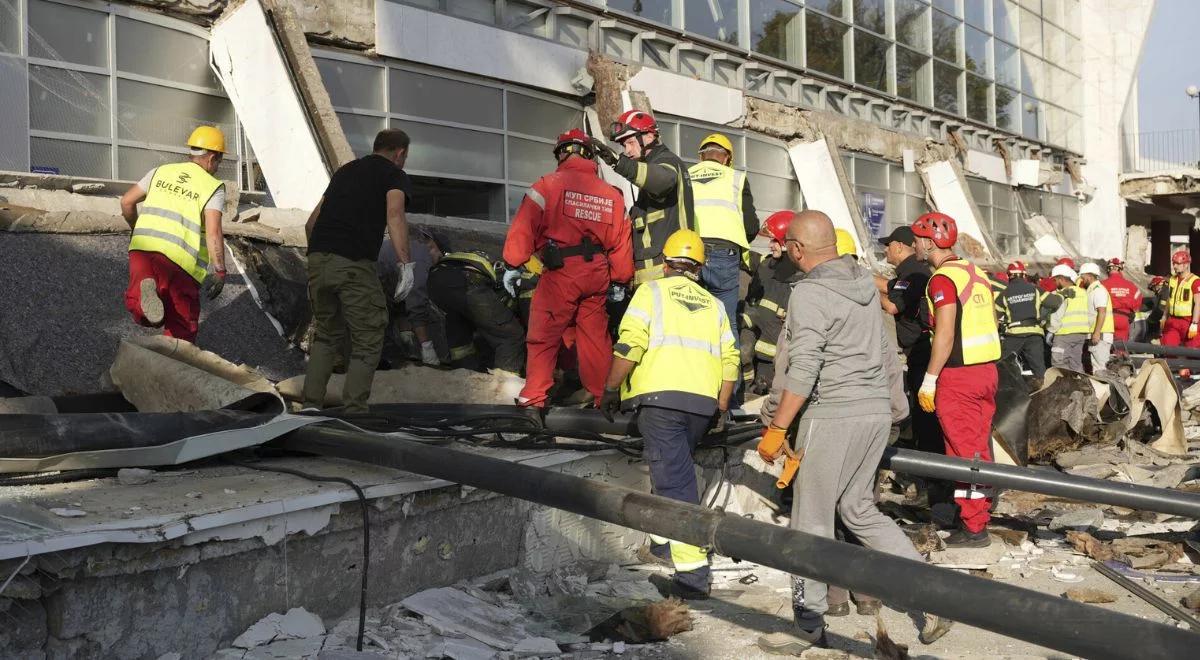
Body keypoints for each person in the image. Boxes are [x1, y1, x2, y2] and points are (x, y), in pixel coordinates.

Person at [756, 211, 951, 653]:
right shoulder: (866, 284)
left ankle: (807, 627)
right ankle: (937, 597)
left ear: (797, 249)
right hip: (875, 415)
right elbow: (885, 351)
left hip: (832, 416)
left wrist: (777, 425)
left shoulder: (809, 294)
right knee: (859, 509)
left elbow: (800, 369)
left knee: (811, 522)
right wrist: (895, 410)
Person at [598, 229, 738, 600]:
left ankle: (693, 576)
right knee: (672, 471)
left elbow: (629, 345)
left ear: (664, 263)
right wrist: (722, 407)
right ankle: (662, 545)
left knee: (675, 483)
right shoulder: (714, 305)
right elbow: (730, 361)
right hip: (701, 406)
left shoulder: (651, 292)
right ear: (699, 269)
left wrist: (611, 389)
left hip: (661, 403)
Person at [504, 129, 633, 408]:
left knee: (544, 334)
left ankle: (534, 399)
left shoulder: (547, 185)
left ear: (561, 153)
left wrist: (514, 262)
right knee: (595, 339)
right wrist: (620, 280)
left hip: (562, 271)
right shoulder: (612, 195)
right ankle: (603, 399)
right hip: (598, 274)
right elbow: (621, 243)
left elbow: (523, 231)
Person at [302, 129, 414, 414]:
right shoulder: (393, 174)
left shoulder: (345, 171)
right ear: (400, 153)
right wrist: (405, 263)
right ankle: (355, 412)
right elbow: (395, 215)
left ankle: (310, 406)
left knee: (327, 335)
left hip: (318, 259)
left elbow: (311, 223)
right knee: (368, 337)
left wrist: (319, 257)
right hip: (353, 264)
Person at [911, 212, 1001, 549]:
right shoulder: (974, 272)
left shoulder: (941, 280)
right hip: (987, 372)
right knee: (977, 447)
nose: (915, 244)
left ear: (930, 241)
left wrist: (929, 380)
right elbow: (991, 319)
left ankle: (975, 527)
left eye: (918, 238)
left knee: (964, 453)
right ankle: (979, 512)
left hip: (959, 376)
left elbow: (945, 334)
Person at [121, 125, 229, 343]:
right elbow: (214, 232)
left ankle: (145, 296)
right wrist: (220, 270)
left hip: (142, 249)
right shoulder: (212, 186)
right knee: (182, 328)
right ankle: (174, 368)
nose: (218, 167)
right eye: (219, 161)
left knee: (141, 308)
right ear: (212, 157)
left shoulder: (160, 171)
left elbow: (126, 202)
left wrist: (136, 229)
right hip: (180, 262)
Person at [590, 110, 694, 286]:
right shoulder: (650, 166)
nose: (627, 151)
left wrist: (619, 163)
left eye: (630, 142)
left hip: (668, 273)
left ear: (649, 136)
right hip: (657, 275)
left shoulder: (668, 161)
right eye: (624, 146)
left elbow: (662, 180)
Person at [876, 226, 943, 457]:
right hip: (918, 349)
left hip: (921, 350)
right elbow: (892, 289)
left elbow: (894, 305)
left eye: (888, 245)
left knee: (925, 414)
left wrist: (866, 287)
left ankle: (929, 467)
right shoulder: (909, 273)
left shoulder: (913, 272)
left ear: (898, 246)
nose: (886, 250)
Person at [425, 251, 525, 375]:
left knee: (460, 324)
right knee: (511, 335)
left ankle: (465, 376)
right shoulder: (509, 275)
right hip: (468, 281)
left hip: (435, 281)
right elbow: (499, 310)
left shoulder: (479, 257)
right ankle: (505, 386)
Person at [742, 212, 804, 395]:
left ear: (787, 242)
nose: (770, 246)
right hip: (756, 354)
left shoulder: (802, 278)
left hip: (780, 362)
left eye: (774, 241)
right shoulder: (765, 266)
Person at [378, 228, 442, 365]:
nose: (437, 263)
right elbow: (416, 301)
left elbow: (401, 296)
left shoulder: (411, 247)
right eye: (440, 257)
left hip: (377, 283)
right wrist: (427, 346)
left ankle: (407, 346)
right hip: (371, 289)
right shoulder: (421, 256)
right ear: (433, 246)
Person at [996, 261, 1047, 380]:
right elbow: (1055, 302)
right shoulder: (1035, 290)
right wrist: (1043, 320)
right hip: (1034, 334)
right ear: (1024, 275)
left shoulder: (1004, 293)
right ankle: (1044, 390)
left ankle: (1007, 393)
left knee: (1003, 366)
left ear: (1009, 276)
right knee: (1039, 368)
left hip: (1014, 335)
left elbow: (995, 316)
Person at [1047, 264, 1089, 372]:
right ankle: (1081, 386)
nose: (1055, 283)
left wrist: (1051, 331)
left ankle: (1064, 387)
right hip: (1081, 334)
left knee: (1059, 365)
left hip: (1064, 333)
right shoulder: (1084, 293)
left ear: (1061, 279)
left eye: (1055, 280)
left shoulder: (1062, 294)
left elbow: (1056, 315)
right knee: (1075, 363)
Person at [1079, 262, 1114, 376]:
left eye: (1083, 277)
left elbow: (1102, 312)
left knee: (1101, 369)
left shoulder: (1098, 290)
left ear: (1089, 276)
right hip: (1098, 335)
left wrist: (1097, 333)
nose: (1082, 280)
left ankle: (1106, 393)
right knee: (1097, 369)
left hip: (1100, 335)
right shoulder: (1092, 290)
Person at [1161, 250, 1200, 347]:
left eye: (1177, 264)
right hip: (1173, 321)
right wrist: (1164, 316)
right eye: (1173, 263)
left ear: (1186, 265)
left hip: (1188, 321)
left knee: (1193, 352)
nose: (1174, 266)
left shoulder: (1195, 281)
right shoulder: (1172, 280)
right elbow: (1169, 300)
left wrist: (1194, 323)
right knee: (1168, 348)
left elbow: (1198, 304)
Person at [1102, 258, 1142, 345]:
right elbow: (1138, 301)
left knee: (1105, 348)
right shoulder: (1131, 286)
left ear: (1108, 269)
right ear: (1120, 269)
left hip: (1106, 319)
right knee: (1121, 349)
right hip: (1124, 319)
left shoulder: (1102, 284)